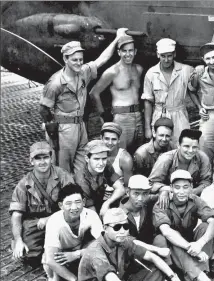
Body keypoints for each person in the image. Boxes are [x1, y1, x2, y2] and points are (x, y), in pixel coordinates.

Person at [39, 28, 128, 174]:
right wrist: (53, 131)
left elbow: (102, 59)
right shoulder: (55, 83)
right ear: (65, 59)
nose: (79, 63)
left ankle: (81, 193)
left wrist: (117, 39)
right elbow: (43, 109)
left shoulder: (83, 73)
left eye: (81, 59)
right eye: (74, 60)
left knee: (83, 165)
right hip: (64, 129)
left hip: (81, 126)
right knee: (63, 169)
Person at [77, 208, 186, 281]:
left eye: (126, 226)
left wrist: (175, 279)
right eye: (117, 227)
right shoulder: (96, 252)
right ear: (105, 228)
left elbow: (153, 258)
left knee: (156, 270)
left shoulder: (123, 241)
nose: (122, 231)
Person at [153, 170, 214, 281]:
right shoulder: (161, 204)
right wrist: (191, 247)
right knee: (169, 238)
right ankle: (203, 280)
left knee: (205, 226)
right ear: (171, 188)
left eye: (185, 187)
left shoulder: (195, 200)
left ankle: (190, 277)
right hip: (171, 248)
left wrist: (200, 243)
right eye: (177, 187)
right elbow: (166, 231)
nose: (181, 192)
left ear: (191, 187)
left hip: (191, 245)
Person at [10, 141, 74, 266]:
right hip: (36, 225)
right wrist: (18, 240)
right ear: (31, 161)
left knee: (67, 249)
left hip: (61, 220)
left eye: (45, 157)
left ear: (51, 158)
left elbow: (74, 204)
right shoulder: (24, 184)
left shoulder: (63, 176)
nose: (42, 162)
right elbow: (16, 215)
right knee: (26, 255)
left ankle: (53, 250)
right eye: (37, 158)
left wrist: (50, 218)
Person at [42, 184, 103, 281]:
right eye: (68, 203)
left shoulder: (90, 215)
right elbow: (50, 259)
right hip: (60, 257)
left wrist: (77, 254)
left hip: (80, 254)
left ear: (84, 202)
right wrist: (74, 280)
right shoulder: (54, 221)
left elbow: (104, 244)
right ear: (61, 205)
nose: (74, 207)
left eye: (78, 202)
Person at [90, 35, 144, 153]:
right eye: (124, 51)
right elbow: (94, 93)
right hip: (121, 118)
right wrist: (104, 116)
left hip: (138, 117)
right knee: (120, 154)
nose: (127, 54)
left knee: (138, 152)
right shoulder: (112, 71)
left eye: (130, 51)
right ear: (119, 52)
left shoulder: (138, 69)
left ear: (135, 52)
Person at [142, 38, 201, 143]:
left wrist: (200, 107)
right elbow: (148, 102)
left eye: (169, 56)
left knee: (182, 144)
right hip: (159, 115)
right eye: (162, 56)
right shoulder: (151, 73)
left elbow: (193, 90)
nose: (166, 60)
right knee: (161, 146)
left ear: (174, 54)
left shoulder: (186, 70)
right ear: (157, 55)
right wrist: (147, 128)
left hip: (180, 114)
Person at [149, 129, 211, 202]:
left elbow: (207, 181)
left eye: (194, 147)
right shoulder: (166, 158)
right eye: (186, 146)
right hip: (169, 197)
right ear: (178, 145)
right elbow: (151, 183)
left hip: (192, 197)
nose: (191, 150)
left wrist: (193, 192)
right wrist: (166, 190)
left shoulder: (203, 158)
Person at [74, 140, 125, 216]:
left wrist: (107, 203)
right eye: (96, 159)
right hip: (86, 210)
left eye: (104, 158)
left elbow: (121, 189)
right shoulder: (81, 180)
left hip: (101, 203)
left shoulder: (106, 165)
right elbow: (91, 210)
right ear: (87, 159)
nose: (101, 163)